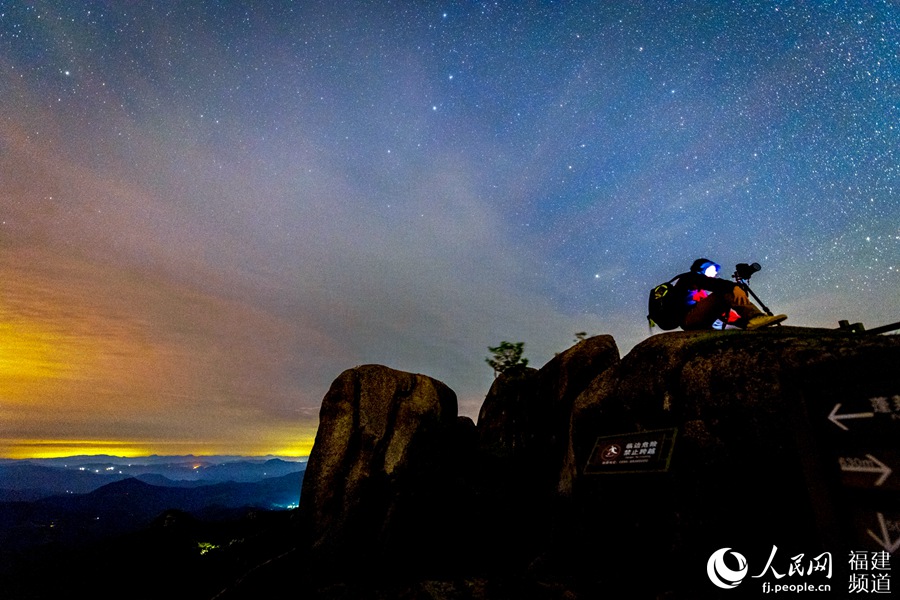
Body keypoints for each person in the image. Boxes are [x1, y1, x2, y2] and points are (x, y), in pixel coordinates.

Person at [674, 258, 787, 330]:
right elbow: (712, 284)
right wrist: (733, 287)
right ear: (702, 268)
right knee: (724, 291)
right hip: (688, 320)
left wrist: (743, 323)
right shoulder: (689, 278)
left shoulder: (699, 292)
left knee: (724, 293)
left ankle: (752, 320)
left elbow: (721, 313)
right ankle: (755, 316)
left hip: (694, 321)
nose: (715, 273)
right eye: (712, 269)